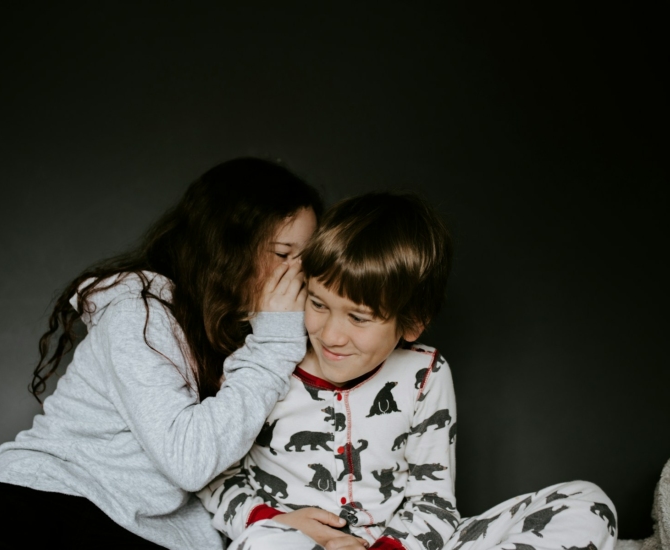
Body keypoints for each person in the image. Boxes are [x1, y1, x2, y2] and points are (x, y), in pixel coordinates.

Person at [199, 192, 618, 550]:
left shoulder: (426, 373)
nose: (331, 334)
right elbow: (214, 478)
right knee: (265, 543)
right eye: (318, 304)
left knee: (588, 503)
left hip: (393, 544)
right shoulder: (263, 362)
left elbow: (433, 503)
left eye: (359, 318)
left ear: (412, 322)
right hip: (293, 539)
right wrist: (280, 522)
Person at [0, 157, 335, 549]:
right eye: (283, 254)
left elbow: (224, 464)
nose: (297, 274)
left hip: (141, 527)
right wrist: (275, 343)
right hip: (51, 505)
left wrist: (265, 519)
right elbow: (190, 461)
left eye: (307, 259)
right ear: (225, 248)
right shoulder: (138, 311)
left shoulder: (245, 332)